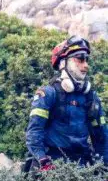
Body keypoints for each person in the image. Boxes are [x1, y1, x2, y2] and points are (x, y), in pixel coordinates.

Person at [26, 36, 108, 172]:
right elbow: (34, 131)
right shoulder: (48, 94)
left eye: (86, 60)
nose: (86, 65)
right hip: (50, 164)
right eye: (80, 59)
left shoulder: (91, 97)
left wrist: (105, 171)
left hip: (82, 166)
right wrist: (42, 160)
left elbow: (102, 138)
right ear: (63, 63)